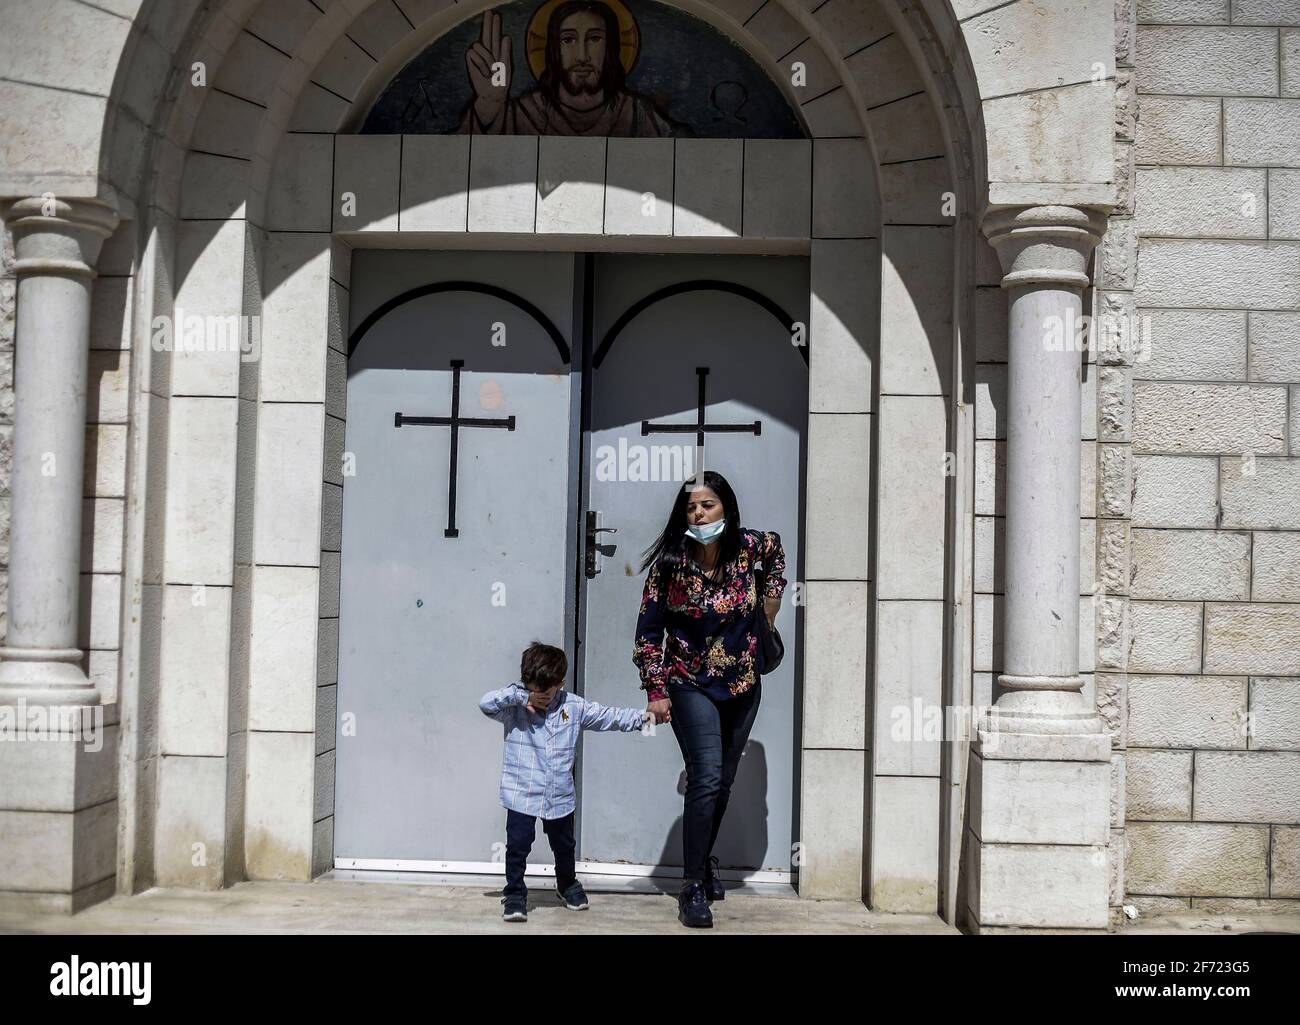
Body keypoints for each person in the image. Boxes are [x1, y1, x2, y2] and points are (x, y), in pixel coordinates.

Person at [633, 470, 787, 928]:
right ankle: (692, 885)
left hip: (742, 684)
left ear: (726, 508)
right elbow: (647, 633)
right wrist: (656, 689)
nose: (699, 513)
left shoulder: (748, 548)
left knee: (721, 782)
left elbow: (776, 551)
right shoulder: (670, 565)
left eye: (708, 505)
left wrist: (771, 603)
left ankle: (704, 863)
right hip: (688, 682)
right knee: (705, 777)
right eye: (691, 507)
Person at [479, 640, 647, 921]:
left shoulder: (574, 706)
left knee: (564, 844)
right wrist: (523, 698)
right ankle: (515, 893)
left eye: (545, 690)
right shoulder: (514, 706)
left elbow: (612, 717)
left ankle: (567, 884)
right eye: (533, 688)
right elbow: (485, 703)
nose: (540, 695)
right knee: (518, 844)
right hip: (522, 793)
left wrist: (648, 718)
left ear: (560, 682)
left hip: (559, 796)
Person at [458, 3, 681, 136]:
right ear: (553, 50)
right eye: (568, 40)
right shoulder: (520, 115)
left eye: (594, 39)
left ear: (610, 48)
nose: (582, 56)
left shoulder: (636, 115)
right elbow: (453, 166)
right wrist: (488, 106)